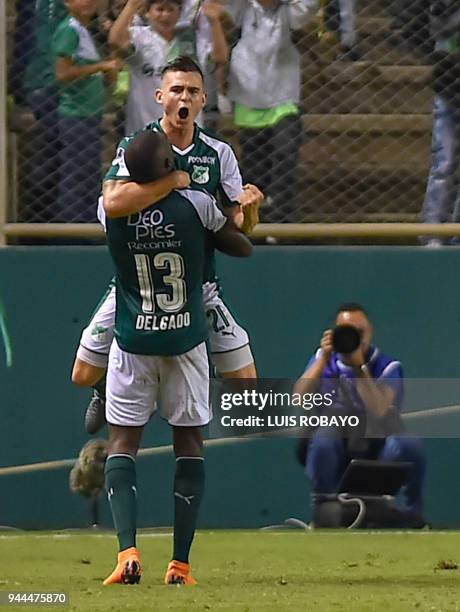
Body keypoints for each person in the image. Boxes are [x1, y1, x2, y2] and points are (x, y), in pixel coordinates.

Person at [71, 56, 263, 433]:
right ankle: (103, 389)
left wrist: (251, 211)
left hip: (198, 286)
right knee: (82, 373)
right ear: (160, 96)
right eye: (176, 90)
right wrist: (172, 182)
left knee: (247, 388)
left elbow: (239, 225)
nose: (183, 98)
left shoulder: (218, 153)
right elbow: (113, 203)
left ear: (203, 99)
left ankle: (204, 378)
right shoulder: (137, 147)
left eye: (192, 90)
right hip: (136, 286)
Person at [101, 129, 252, 585]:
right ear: (171, 165)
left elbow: (114, 200)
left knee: (122, 443)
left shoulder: (109, 213)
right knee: (188, 444)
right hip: (184, 340)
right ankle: (180, 565)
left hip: (132, 339)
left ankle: (127, 552)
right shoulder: (196, 205)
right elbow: (240, 244)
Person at [294, 303, 426, 518]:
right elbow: (299, 397)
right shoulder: (323, 360)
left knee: (409, 443)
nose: (353, 337)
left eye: (359, 332)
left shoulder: (387, 366)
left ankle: (413, 512)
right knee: (325, 436)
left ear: (370, 332)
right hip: (333, 442)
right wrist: (323, 359)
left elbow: (380, 410)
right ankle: (323, 508)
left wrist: (359, 368)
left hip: (376, 444)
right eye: (346, 331)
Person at [226, 0, 317, 222]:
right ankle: (255, 218)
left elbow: (310, 7)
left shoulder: (289, 12)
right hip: (248, 94)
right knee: (255, 164)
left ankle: (282, 215)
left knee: (286, 152)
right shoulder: (242, 9)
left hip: (283, 96)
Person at [108, 0, 228, 134]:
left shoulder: (190, 40)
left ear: (179, 14)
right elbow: (115, 41)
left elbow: (220, 57)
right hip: (144, 127)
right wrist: (131, 6)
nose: (165, 15)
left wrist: (214, 21)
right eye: (159, 9)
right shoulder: (139, 36)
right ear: (148, 13)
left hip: (185, 129)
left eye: (171, 10)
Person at [53, 0, 122, 222]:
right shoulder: (69, 29)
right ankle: (72, 228)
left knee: (88, 174)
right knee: (76, 175)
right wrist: (100, 67)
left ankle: (86, 222)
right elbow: (62, 73)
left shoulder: (86, 29)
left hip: (90, 113)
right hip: (76, 115)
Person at [20, 0, 68, 221]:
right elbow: (24, 39)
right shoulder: (33, 6)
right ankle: (42, 217)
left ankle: (57, 216)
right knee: (50, 148)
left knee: (63, 150)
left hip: (68, 82)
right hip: (41, 80)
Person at [421, 1, 460, 246]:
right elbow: (438, 27)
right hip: (452, 70)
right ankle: (433, 233)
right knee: (444, 161)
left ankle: (457, 235)